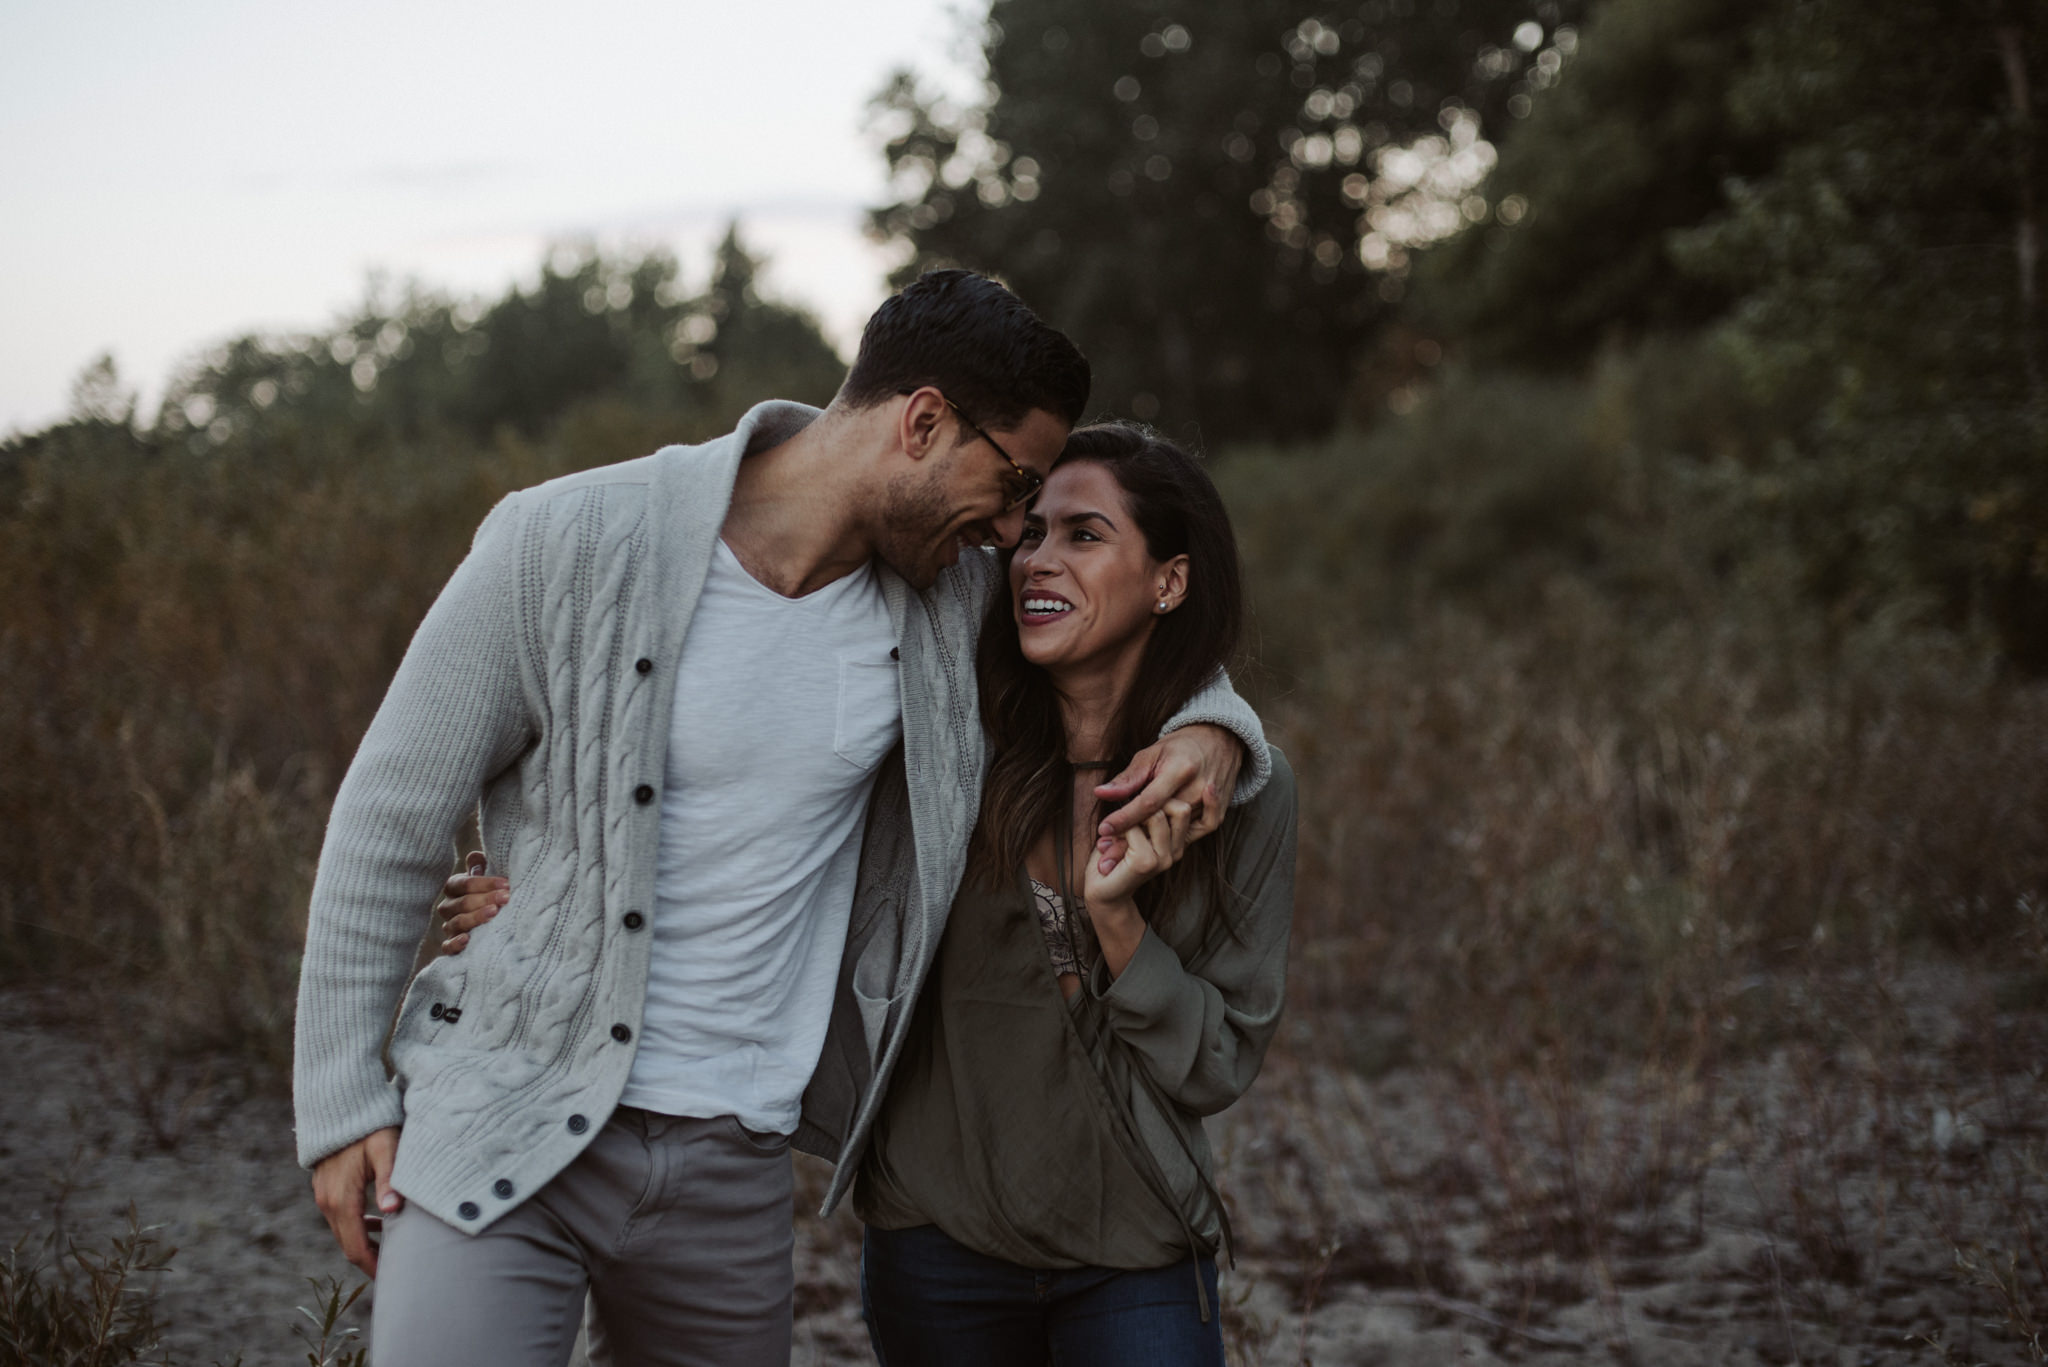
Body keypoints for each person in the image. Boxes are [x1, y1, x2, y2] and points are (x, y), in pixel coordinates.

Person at [292, 268, 1272, 1367]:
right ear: (921, 420)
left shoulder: (946, 605)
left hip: (731, 1160)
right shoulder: (563, 542)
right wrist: (341, 1101)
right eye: (1011, 487)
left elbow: (1118, 642)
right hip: (512, 1099)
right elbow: (390, 815)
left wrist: (1214, 729)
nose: (1011, 533)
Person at [851, 423, 1297, 1365]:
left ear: (1169, 580)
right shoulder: (943, 745)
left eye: (1084, 535)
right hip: (934, 1240)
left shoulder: (1238, 790)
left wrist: (1116, 917)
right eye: (1033, 533)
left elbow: (1217, 1062)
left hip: (1135, 1253)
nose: (1038, 559)